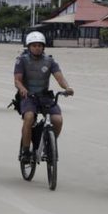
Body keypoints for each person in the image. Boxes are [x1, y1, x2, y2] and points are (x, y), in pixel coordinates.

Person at [14, 31, 74, 162]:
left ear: (44, 47)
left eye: (40, 45)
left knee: (57, 120)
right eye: (34, 45)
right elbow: (17, 80)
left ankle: (49, 147)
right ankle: (25, 151)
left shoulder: (49, 61)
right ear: (28, 47)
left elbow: (60, 77)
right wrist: (23, 89)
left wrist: (67, 88)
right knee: (29, 118)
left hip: (44, 96)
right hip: (28, 97)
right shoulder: (22, 60)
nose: (37, 48)